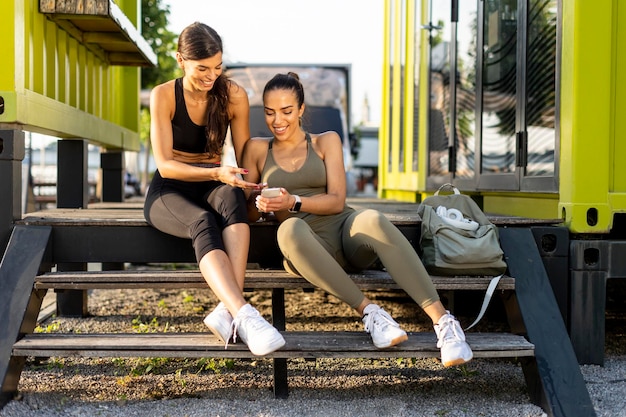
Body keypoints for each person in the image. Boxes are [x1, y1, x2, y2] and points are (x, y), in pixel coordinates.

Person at [241, 72, 472, 367]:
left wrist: (294, 201)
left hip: (343, 233)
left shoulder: (326, 141)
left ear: (300, 109)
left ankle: (444, 323)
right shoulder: (257, 149)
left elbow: (337, 201)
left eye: (286, 111)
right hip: (304, 247)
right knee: (289, 227)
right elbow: (245, 211)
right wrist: (261, 205)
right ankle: (371, 313)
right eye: (270, 112)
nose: (278, 120)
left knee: (373, 219)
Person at [143, 22, 285, 356]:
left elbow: (246, 152)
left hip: (215, 179)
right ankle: (244, 313)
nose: (211, 76)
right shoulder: (163, 95)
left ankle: (226, 312)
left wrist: (254, 188)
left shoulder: (233, 94)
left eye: (218, 67)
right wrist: (218, 172)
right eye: (202, 68)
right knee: (203, 223)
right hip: (169, 189)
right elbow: (165, 164)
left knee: (232, 197)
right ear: (181, 60)